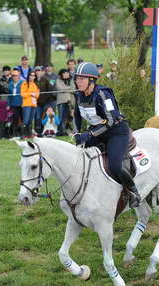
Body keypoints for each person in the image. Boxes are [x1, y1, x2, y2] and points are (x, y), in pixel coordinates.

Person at [72, 62, 141, 208]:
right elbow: (77, 114)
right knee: (80, 160)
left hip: (116, 132)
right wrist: (77, 132)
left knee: (115, 166)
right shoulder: (79, 95)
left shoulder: (104, 95)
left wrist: (89, 134)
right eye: (77, 78)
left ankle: (133, 192)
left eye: (82, 79)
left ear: (92, 80)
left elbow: (111, 120)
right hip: (98, 132)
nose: (78, 82)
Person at [37, 67, 56, 136]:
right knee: (38, 117)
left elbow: (50, 90)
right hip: (37, 103)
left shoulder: (45, 80)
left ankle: (45, 131)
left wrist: (47, 99)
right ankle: (38, 131)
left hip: (45, 102)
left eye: (40, 71)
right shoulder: (34, 80)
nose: (38, 72)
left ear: (43, 72)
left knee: (44, 117)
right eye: (37, 71)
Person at [55, 68, 75, 135]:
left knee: (69, 117)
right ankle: (61, 131)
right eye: (64, 73)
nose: (66, 74)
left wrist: (66, 89)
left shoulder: (71, 80)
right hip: (61, 102)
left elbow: (74, 89)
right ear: (61, 74)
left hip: (70, 102)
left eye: (67, 73)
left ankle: (68, 131)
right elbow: (60, 89)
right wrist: (69, 88)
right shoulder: (58, 80)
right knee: (61, 117)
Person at [20, 71, 40, 138]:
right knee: (26, 120)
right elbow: (22, 94)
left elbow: (37, 95)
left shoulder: (35, 84)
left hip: (33, 104)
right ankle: (23, 134)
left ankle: (29, 134)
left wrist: (34, 95)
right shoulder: (24, 83)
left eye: (33, 75)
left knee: (31, 120)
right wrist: (31, 94)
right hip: (26, 104)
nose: (32, 77)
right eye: (31, 75)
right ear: (28, 76)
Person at [7, 69, 24, 137]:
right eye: (13, 75)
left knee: (23, 119)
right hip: (13, 104)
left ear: (19, 76)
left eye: (16, 75)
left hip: (21, 104)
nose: (14, 77)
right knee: (15, 119)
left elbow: (24, 94)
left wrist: (23, 103)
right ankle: (14, 134)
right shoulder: (10, 84)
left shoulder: (22, 83)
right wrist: (8, 104)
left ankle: (23, 134)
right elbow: (9, 95)